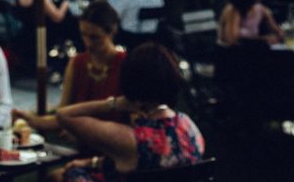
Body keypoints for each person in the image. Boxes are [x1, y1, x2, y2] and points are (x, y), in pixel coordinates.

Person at [56, 43, 204, 181]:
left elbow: (63, 115)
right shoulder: (190, 127)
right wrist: (93, 162)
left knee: (65, 174)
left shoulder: (131, 140)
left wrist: (113, 103)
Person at [13, 0, 126, 132]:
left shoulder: (125, 64)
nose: (88, 43)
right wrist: (30, 119)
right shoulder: (78, 63)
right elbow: (61, 115)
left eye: (95, 37)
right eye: (84, 35)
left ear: (111, 32)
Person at [218, 0, 283, 46]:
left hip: (251, 51)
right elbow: (232, 40)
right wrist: (264, 40)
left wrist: (279, 35)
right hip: (233, 53)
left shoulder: (260, 9)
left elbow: (278, 32)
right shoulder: (233, 9)